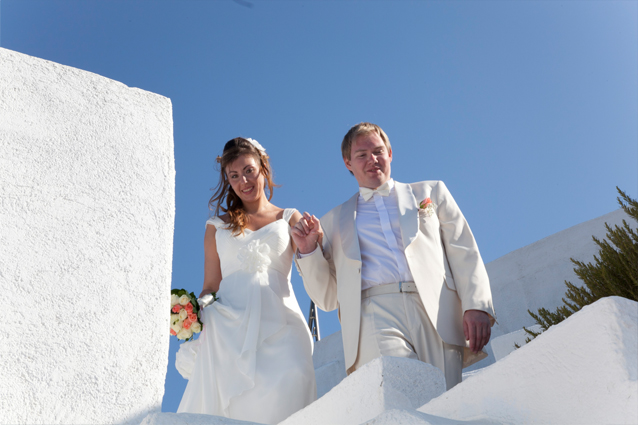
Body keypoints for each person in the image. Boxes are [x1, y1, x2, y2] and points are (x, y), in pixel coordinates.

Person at [291, 122, 496, 390]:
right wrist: (308, 251)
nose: (372, 160)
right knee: (405, 390)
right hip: (374, 312)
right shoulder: (331, 222)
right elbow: (327, 298)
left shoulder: (431, 193)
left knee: (446, 399)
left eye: (377, 151)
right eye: (361, 155)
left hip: (436, 310)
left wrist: (476, 305)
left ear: (390, 153)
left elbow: (463, 250)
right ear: (347, 163)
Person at [176, 137, 316, 423]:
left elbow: (313, 264)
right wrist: (194, 311)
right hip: (229, 328)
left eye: (249, 170)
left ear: (263, 168)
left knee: (292, 378)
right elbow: (210, 287)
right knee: (240, 406)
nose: (244, 181)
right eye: (234, 176)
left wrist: (312, 245)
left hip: (283, 324)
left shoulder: (289, 218)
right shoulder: (216, 227)